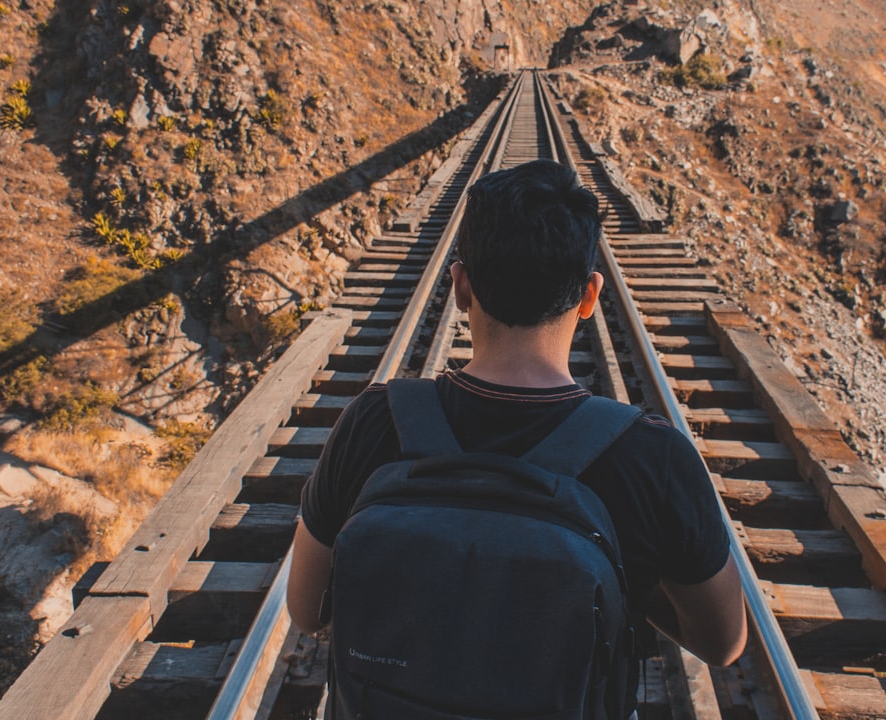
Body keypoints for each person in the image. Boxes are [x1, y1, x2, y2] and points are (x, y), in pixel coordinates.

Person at [287, 159, 746, 716]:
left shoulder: (373, 421)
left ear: (459, 286)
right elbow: (724, 643)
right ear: (588, 296)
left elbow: (308, 610)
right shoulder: (653, 457)